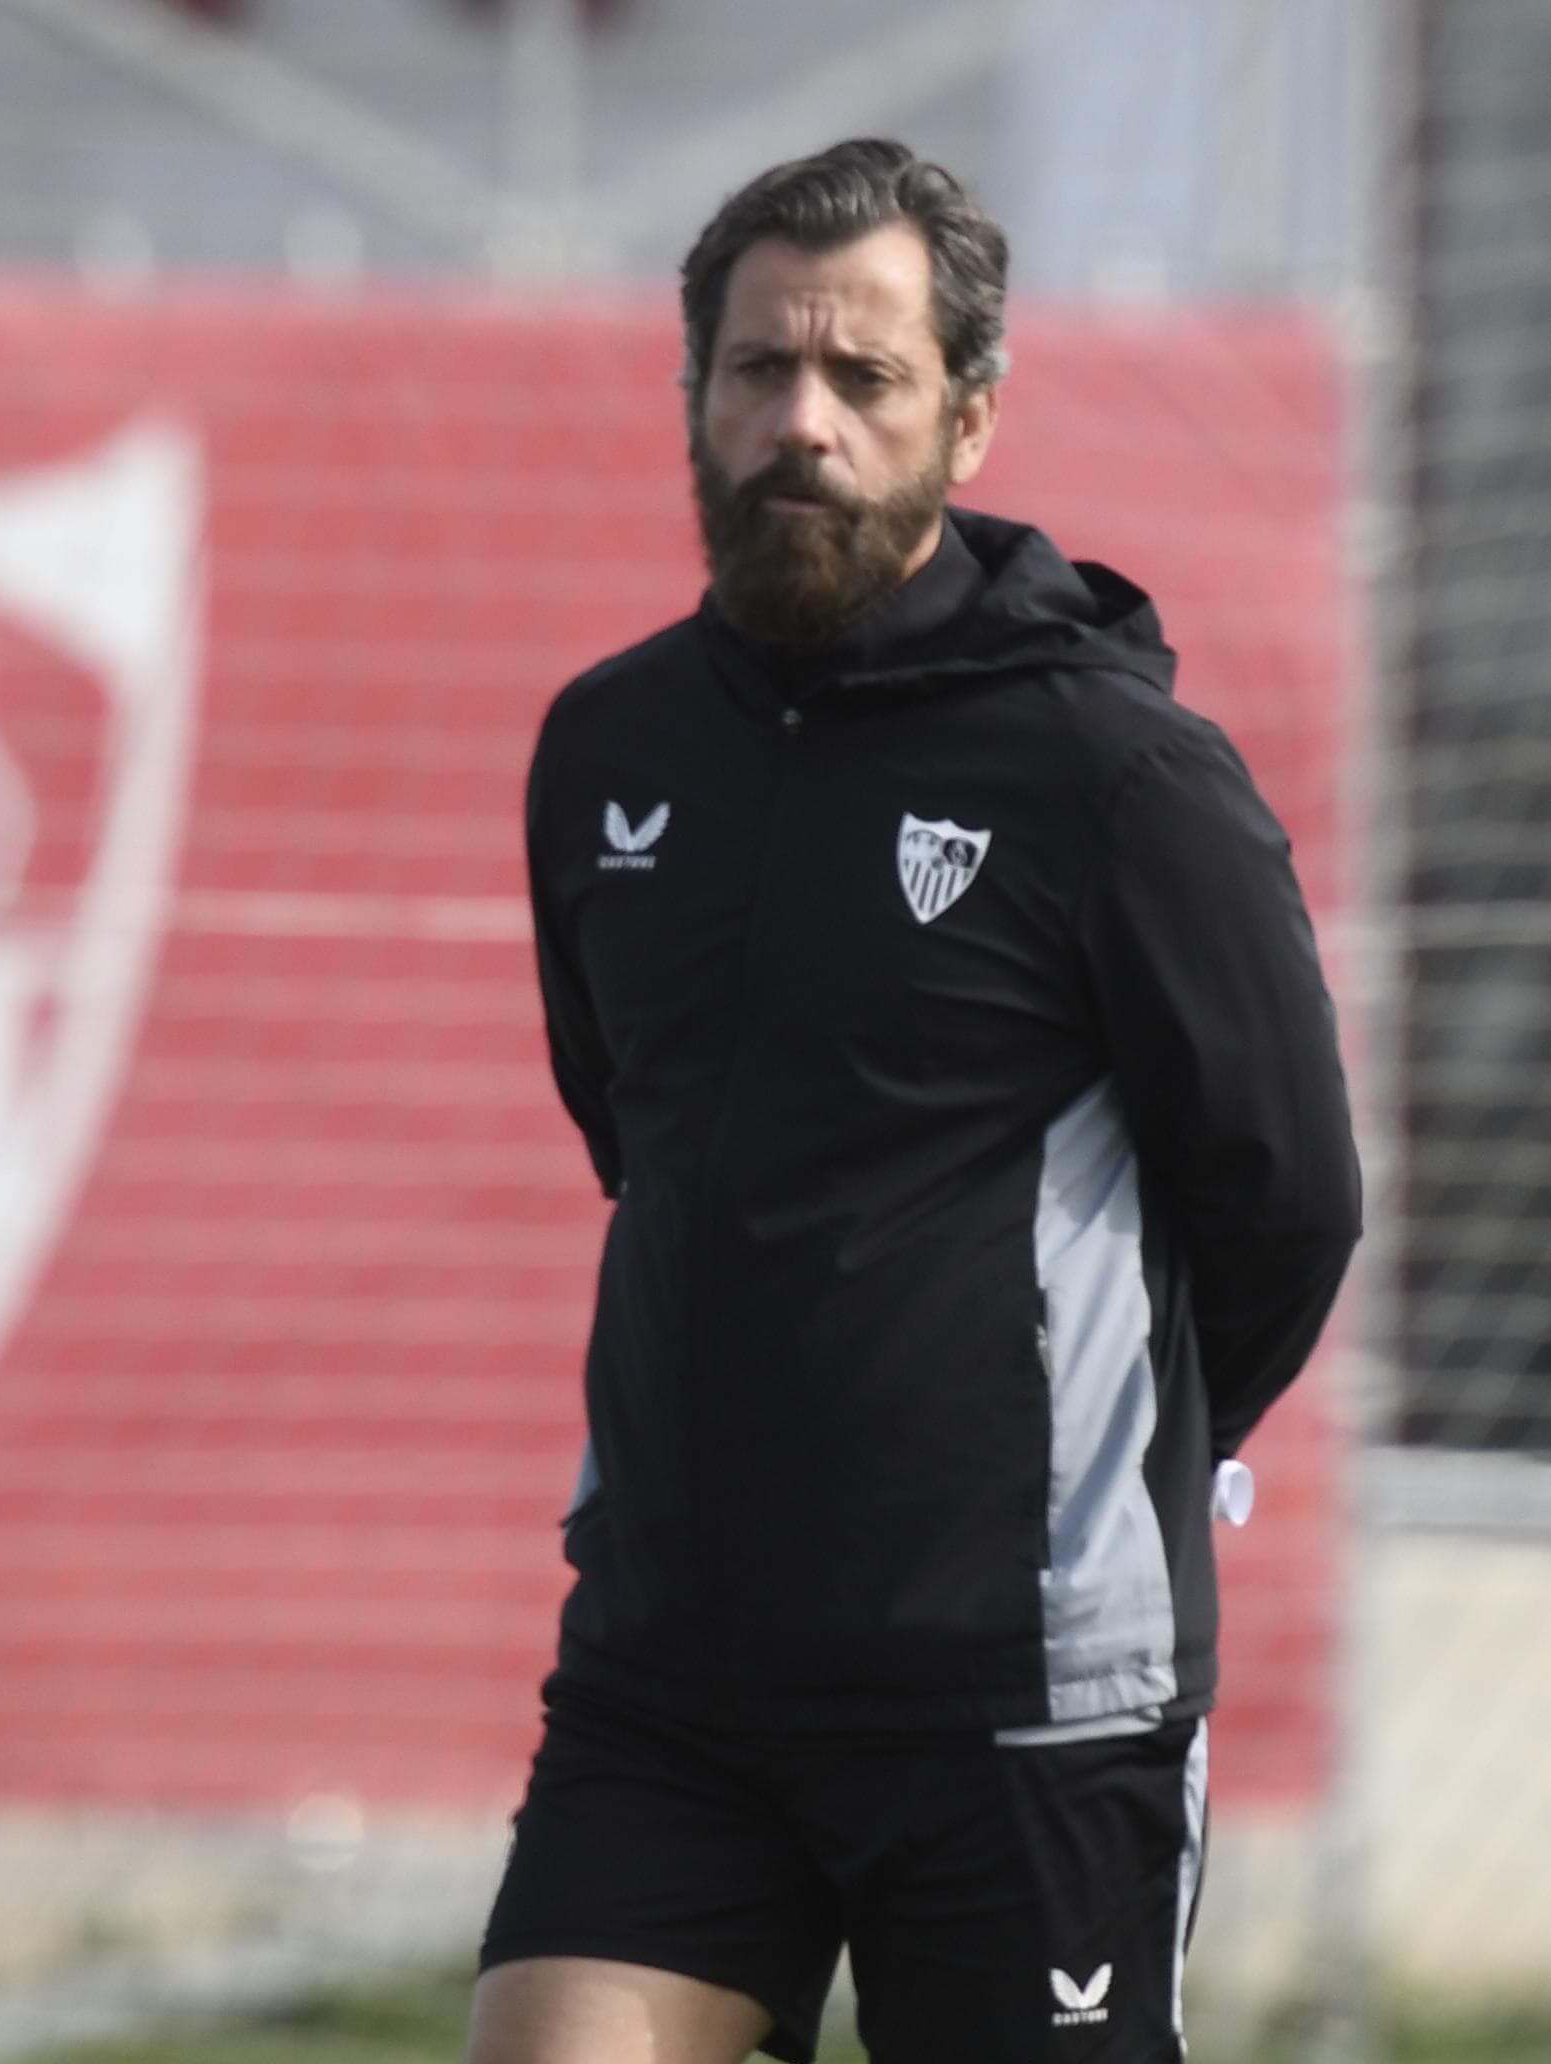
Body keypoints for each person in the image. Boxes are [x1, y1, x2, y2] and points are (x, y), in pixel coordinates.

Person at [469, 139, 1363, 2064]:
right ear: (694, 396)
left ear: (966, 420)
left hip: (1022, 1692)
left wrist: (1114, 1455)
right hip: (672, 1673)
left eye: (862, 376)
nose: (801, 422)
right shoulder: (608, 747)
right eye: (757, 369)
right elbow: (638, 1130)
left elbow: (1287, 1199)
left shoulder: (1115, 775)